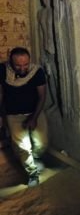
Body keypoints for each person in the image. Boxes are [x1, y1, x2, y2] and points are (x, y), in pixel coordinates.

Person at [0, 47, 48, 187]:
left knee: (42, 143)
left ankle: (35, 158)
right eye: (18, 65)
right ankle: (32, 173)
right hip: (13, 114)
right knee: (23, 147)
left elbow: (42, 96)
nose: (22, 68)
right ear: (10, 62)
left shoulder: (36, 72)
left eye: (25, 64)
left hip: (35, 112)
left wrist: (34, 117)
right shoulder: (3, 70)